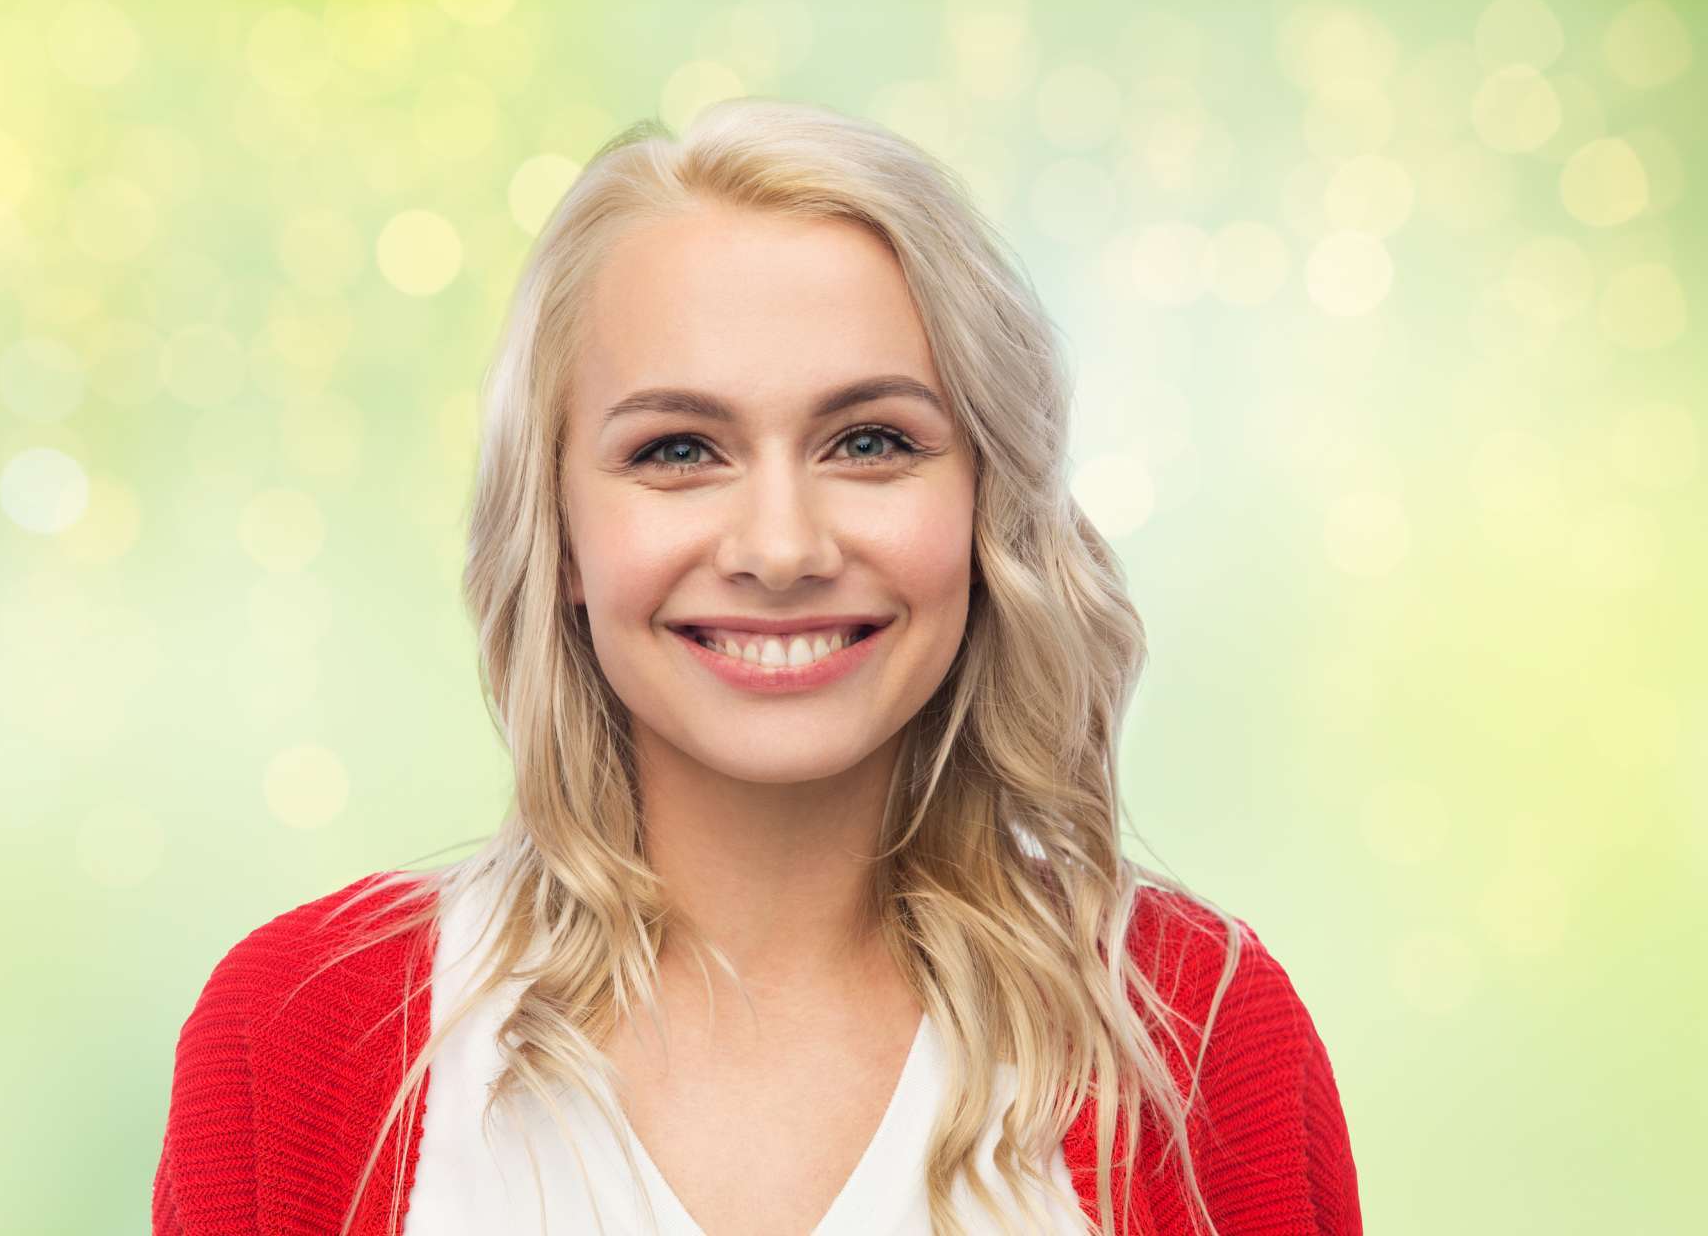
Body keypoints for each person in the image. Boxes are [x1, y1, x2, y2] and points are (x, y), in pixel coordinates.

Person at [152, 97, 1362, 1236]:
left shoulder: (1199, 1032)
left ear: (987, 502)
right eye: (679, 450)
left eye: (871, 441)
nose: (782, 549)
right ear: (558, 531)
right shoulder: (302, 1031)